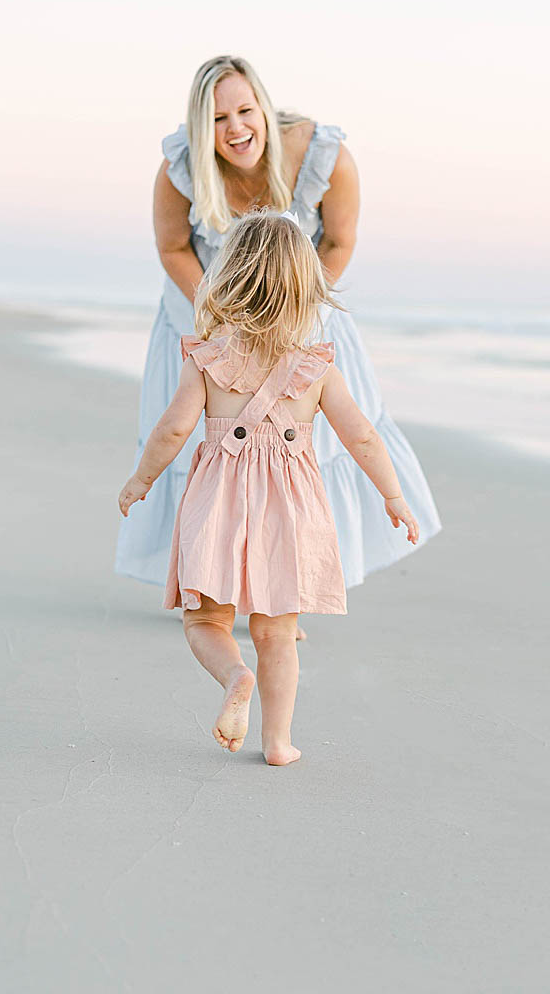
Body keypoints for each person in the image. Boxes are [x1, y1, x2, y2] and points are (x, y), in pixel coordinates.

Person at [114, 54, 441, 627]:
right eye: (218, 119)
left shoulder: (323, 156)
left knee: (309, 446)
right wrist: (220, 315)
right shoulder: (179, 170)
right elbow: (172, 250)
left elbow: (338, 243)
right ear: (200, 127)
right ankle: (211, 588)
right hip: (205, 312)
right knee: (203, 439)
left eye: (245, 111)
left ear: (264, 107)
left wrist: (293, 309)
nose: (236, 129)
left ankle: (287, 593)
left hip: (301, 308)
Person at [118, 213, 419, 766]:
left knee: (206, 619)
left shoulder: (205, 358)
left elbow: (175, 429)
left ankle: (235, 676)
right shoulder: (316, 366)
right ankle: (277, 743)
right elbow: (363, 436)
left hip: (219, 502)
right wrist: (394, 496)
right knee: (279, 632)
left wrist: (142, 479)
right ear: (307, 288)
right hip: (291, 508)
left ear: (227, 277)